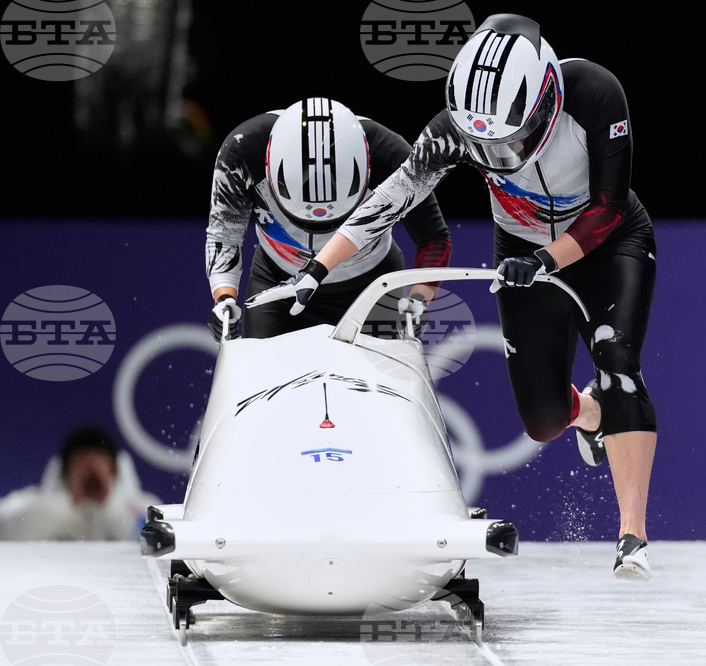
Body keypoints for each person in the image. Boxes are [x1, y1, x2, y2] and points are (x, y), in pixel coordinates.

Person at [250, 14, 658, 581]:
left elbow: (608, 207)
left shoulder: (594, 92)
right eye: (485, 142)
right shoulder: (454, 130)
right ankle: (590, 414)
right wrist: (317, 267)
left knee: (617, 361)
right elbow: (388, 201)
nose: (501, 152)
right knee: (541, 419)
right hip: (522, 251)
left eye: (513, 137)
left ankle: (631, 535)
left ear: (544, 100)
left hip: (607, 240)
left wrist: (544, 259)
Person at [205, 98, 451, 342]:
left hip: (371, 287)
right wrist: (224, 299)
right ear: (269, 166)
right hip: (278, 286)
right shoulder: (241, 151)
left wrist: (419, 300)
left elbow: (433, 237)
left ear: (366, 166)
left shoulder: (391, 155)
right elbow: (224, 235)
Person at [0, 425, 160, 541]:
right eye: (81, 460)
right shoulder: (36, 502)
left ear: (114, 470)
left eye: (98, 461)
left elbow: (156, 539)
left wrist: (108, 506)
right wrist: (66, 504)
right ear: (65, 470)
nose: (89, 469)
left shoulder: (143, 507)